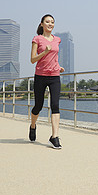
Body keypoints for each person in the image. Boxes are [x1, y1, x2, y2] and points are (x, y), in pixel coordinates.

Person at [29, 14, 64, 149]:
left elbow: (54, 57)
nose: (50, 24)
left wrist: (58, 66)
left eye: (52, 22)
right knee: (38, 106)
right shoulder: (37, 39)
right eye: (47, 22)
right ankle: (33, 126)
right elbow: (32, 60)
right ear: (42, 24)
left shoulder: (57, 40)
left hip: (55, 75)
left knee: (55, 105)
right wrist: (44, 53)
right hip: (40, 76)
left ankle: (54, 137)